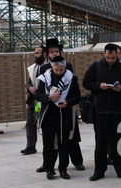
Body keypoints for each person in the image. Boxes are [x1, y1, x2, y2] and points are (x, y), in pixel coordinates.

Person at [83, 43, 121, 182]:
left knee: (119, 142)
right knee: (100, 142)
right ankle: (99, 170)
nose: (110, 60)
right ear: (104, 54)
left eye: (113, 58)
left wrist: (120, 89)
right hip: (100, 110)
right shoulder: (96, 66)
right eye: (108, 58)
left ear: (117, 55)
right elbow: (86, 82)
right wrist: (99, 86)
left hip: (118, 110)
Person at [36, 38, 85, 172]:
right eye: (52, 52)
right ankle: (48, 165)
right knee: (49, 140)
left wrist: (67, 102)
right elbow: (38, 89)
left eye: (57, 51)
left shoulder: (67, 67)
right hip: (49, 109)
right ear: (47, 54)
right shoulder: (44, 69)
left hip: (66, 110)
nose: (55, 54)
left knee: (70, 137)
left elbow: (74, 91)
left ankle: (76, 162)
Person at [21, 46, 47, 155]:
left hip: (43, 100)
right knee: (30, 122)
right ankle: (30, 146)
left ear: (44, 54)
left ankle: (48, 147)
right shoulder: (33, 68)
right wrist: (29, 88)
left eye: (38, 53)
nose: (35, 55)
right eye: (35, 53)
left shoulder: (48, 68)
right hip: (34, 101)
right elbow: (29, 82)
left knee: (44, 123)